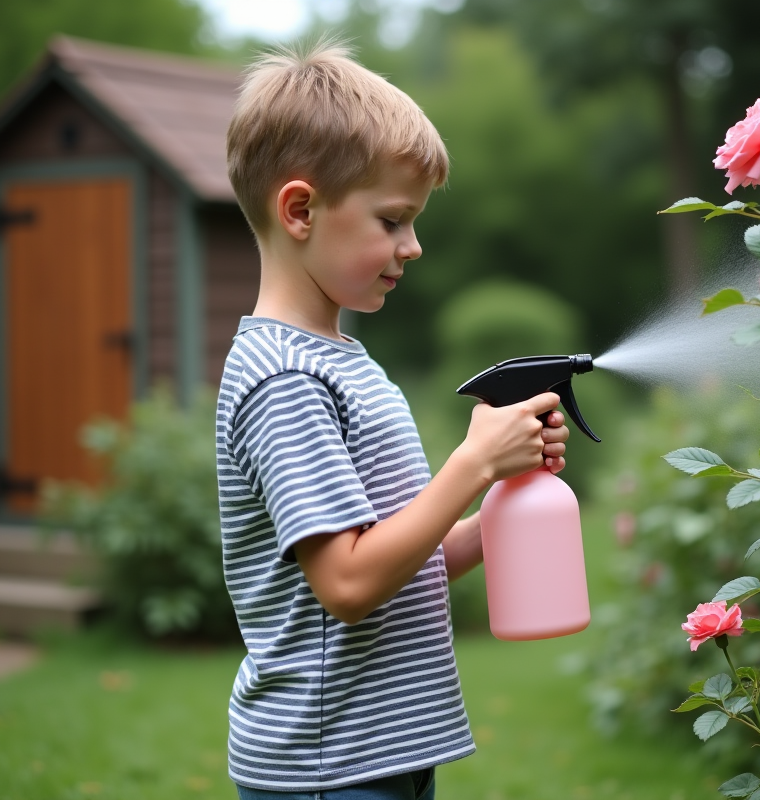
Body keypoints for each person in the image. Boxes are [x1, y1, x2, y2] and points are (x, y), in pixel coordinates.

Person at [216, 39, 571, 799]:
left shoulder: (344, 359)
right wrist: (471, 464)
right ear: (301, 209)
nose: (413, 245)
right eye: (393, 219)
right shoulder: (285, 379)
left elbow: (396, 559)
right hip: (326, 767)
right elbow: (346, 582)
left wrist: (497, 510)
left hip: (382, 754)